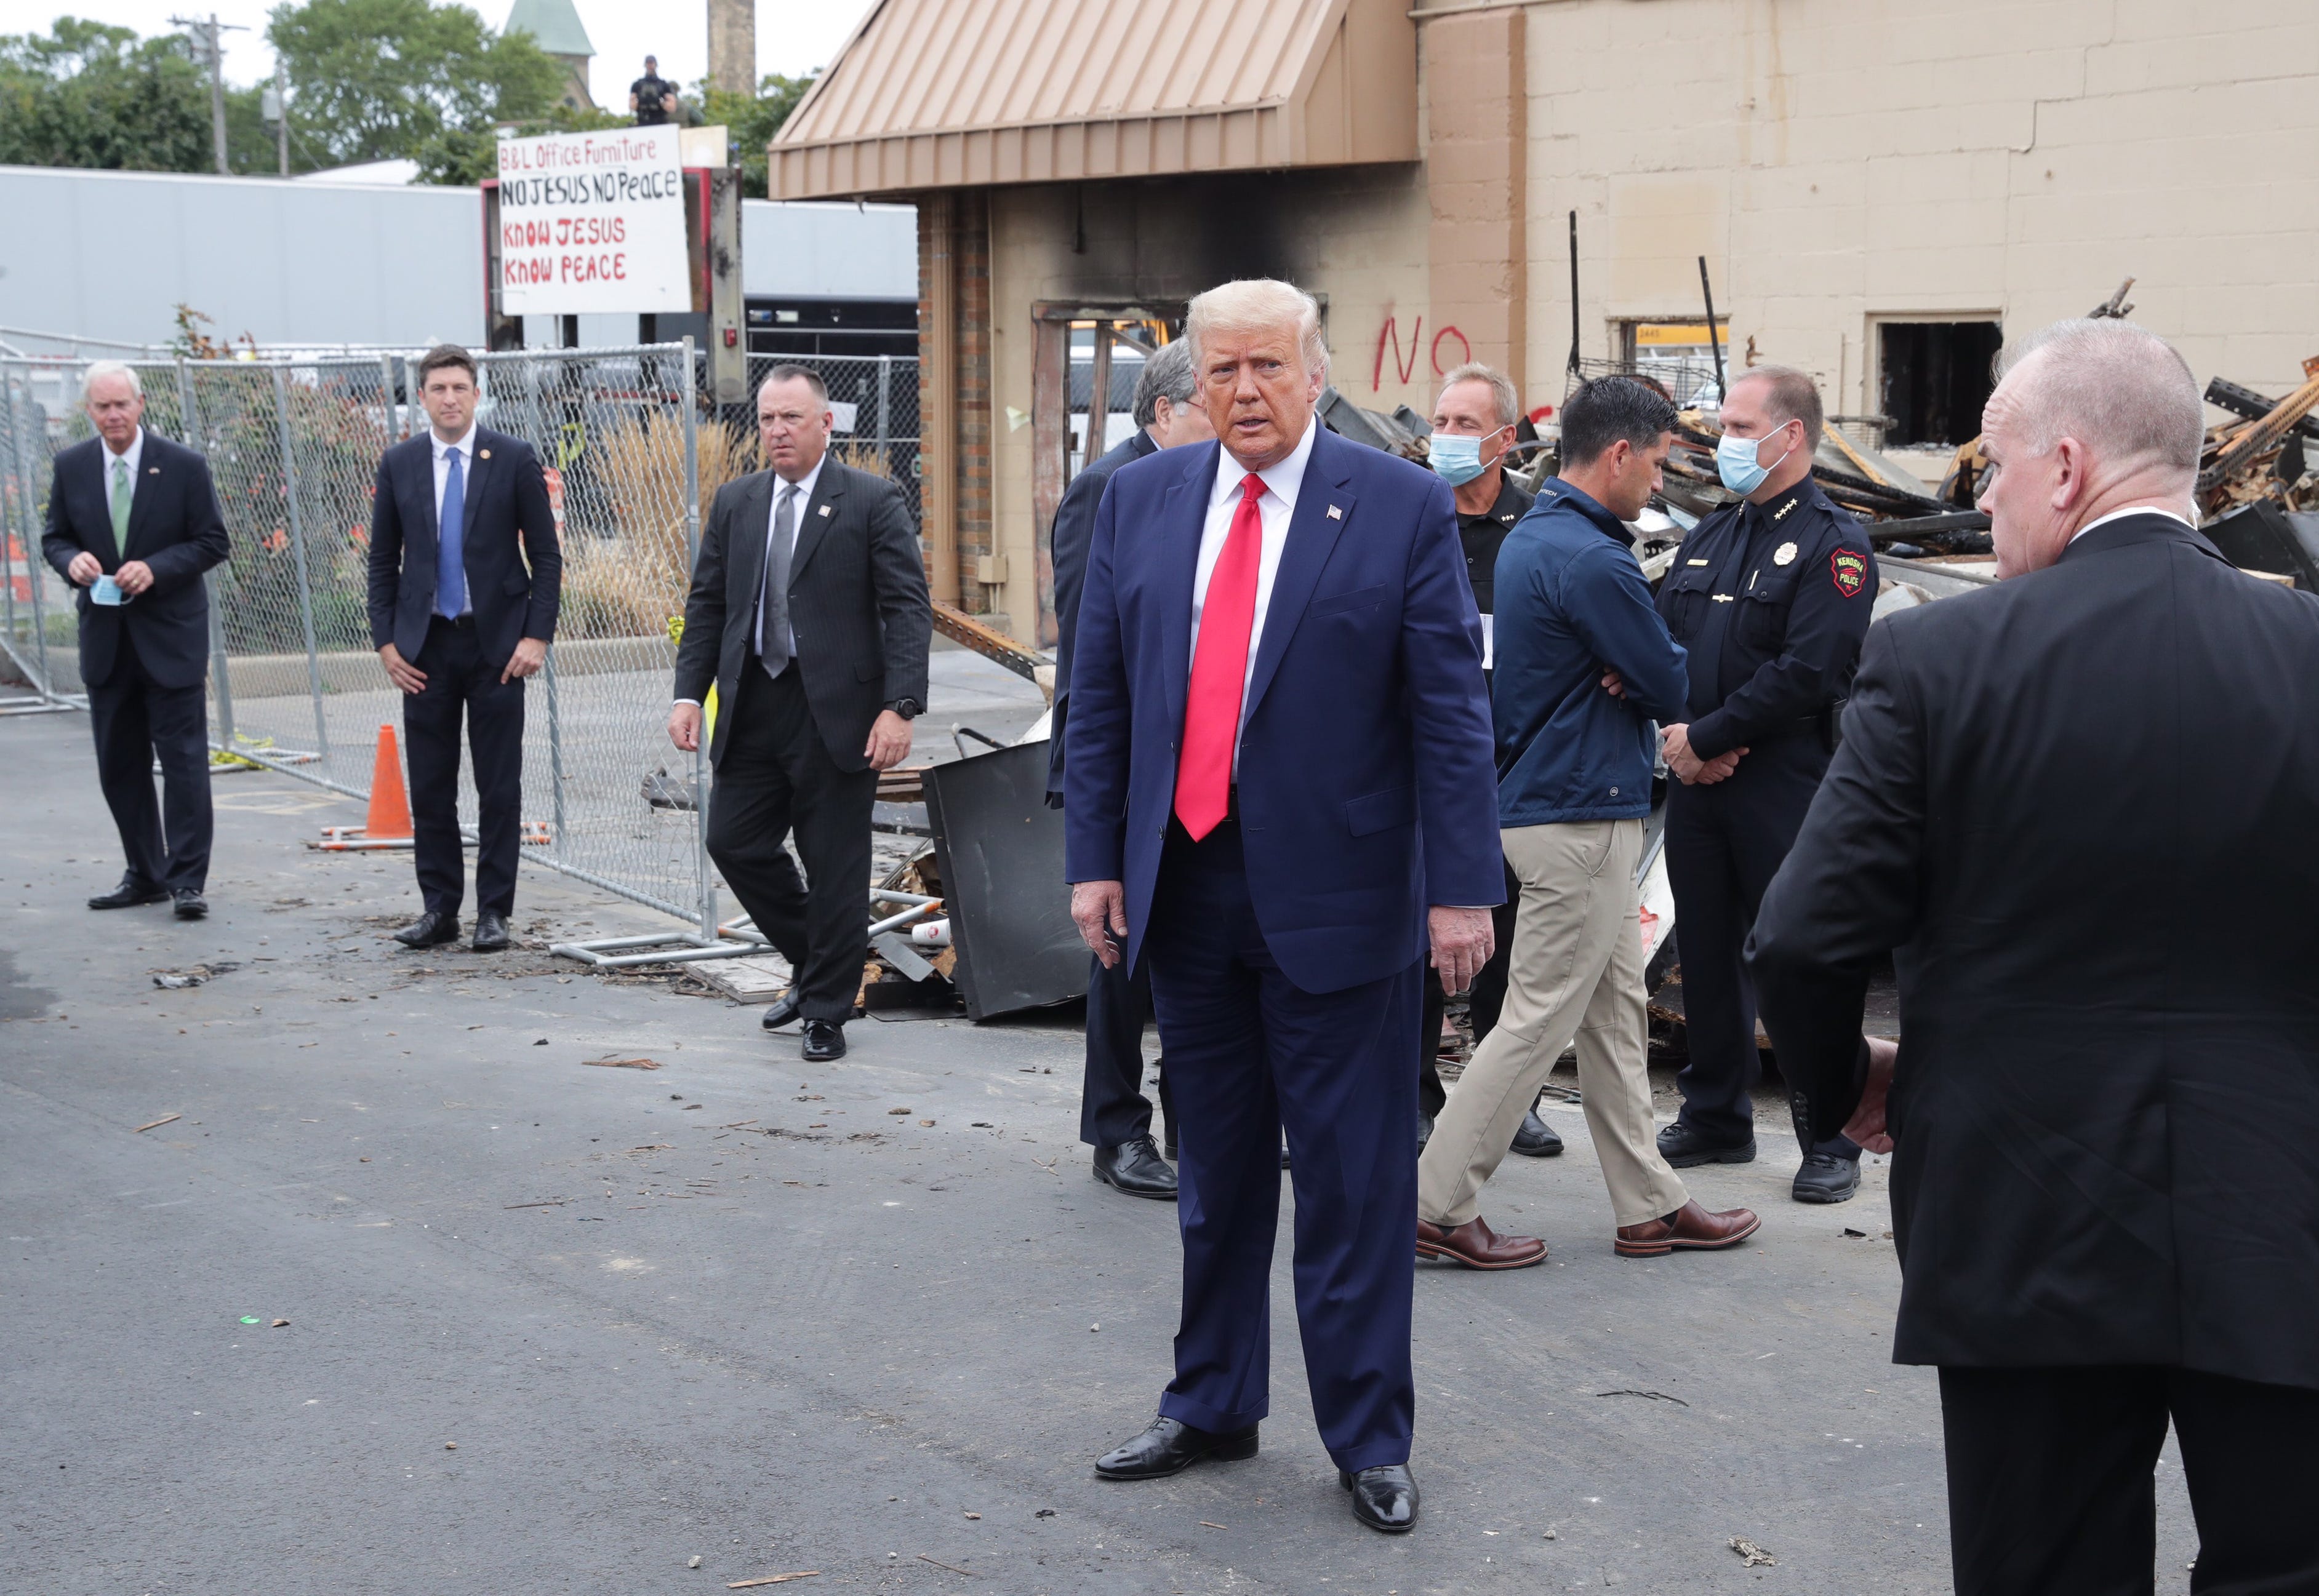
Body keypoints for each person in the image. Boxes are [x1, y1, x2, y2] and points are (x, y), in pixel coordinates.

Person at [1748, 317, 2319, 1595]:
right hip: (2284, 1206)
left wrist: (1848, 1086)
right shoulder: (2310, 654)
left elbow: (1801, 933)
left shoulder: (1939, 659)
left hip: (2023, 1210)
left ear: (2066, 466)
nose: (1988, 502)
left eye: (1995, 469)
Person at [1065, 278, 1501, 1534]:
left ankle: (1368, 1433)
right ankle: (1212, 1400)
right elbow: (1101, 697)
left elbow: (1450, 716)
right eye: (1221, 371)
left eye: (1267, 366)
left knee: (1357, 1184)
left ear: (1317, 374)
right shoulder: (1139, 501)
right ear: (1192, 382)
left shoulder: (1402, 506)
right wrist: (1096, 858)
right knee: (1215, 1175)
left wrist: (1462, 887)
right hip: (1185, 894)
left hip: (1347, 901)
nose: (1244, 391)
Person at [1417, 377, 1760, 1267]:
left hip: (1551, 803)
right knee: (1535, 1020)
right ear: (1617, 453)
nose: (1656, 479)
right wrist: (1641, 663)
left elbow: (1642, 668)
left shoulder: (1540, 537)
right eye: (1653, 460)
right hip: (1580, 814)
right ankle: (1435, 1200)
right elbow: (1672, 682)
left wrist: (1635, 663)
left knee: (1612, 1016)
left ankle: (1650, 1203)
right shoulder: (1597, 560)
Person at [1652, 365, 1875, 1203]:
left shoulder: (1834, 543)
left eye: (1742, 427)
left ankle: (1832, 1134)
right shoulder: (1713, 532)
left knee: (1798, 957)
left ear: (1792, 436)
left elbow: (1812, 670)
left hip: (1782, 780)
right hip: (1698, 780)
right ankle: (1716, 1112)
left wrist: (1709, 736)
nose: (1725, 441)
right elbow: (1664, 641)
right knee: (1707, 953)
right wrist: (1682, 739)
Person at [671, 365, 932, 1063]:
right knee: (734, 840)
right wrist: (688, 693)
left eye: (791, 418)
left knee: (836, 867)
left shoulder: (872, 499)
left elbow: (908, 607)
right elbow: (708, 606)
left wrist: (899, 707)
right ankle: (821, 968)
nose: (777, 431)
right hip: (755, 702)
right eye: (767, 420)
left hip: (839, 712)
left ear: (826, 424)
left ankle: (825, 1011)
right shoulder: (737, 502)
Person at [1047, 337, 1211, 1200]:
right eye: (1212, 405)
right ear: (1164, 412)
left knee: (1186, 952)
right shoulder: (1106, 488)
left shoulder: (1209, 489)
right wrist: (1091, 792)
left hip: (1196, 767)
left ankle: (1197, 1126)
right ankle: (1117, 1128)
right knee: (1120, 956)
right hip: (1122, 774)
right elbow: (1089, 658)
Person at [366, 344, 561, 954]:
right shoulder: (399, 463)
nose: (449, 398)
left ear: (476, 394)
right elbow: (380, 561)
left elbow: (547, 556)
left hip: (497, 647)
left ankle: (494, 912)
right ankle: (439, 909)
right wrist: (386, 641)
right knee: (431, 785)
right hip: (425, 649)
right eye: (437, 389)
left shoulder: (512, 458)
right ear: (421, 398)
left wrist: (536, 635)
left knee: (498, 786)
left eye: (459, 387)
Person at [1417, 362, 1561, 1160]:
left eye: (1465, 424)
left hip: (1512, 762)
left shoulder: (1535, 529)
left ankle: (1511, 1101)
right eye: (1441, 420)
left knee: (1508, 933)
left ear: (1506, 440)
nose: (1447, 438)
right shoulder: (1411, 521)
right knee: (1416, 932)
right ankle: (1415, 1095)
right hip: (1422, 762)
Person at [42, 361, 229, 920]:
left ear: (141, 403)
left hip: (170, 640)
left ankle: (188, 881)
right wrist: (68, 560)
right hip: (107, 642)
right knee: (119, 766)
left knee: (184, 763)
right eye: (102, 407)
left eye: (122, 404)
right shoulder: (72, 467)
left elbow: (212, 541)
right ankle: (146, 873)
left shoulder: (182, 467)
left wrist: (157, 567)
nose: (114, 415)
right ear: (89, 411)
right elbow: (55, 536)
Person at [630, 57, 678, 126]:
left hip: (660, 123)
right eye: (648, 63)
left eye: (652, 63)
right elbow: (632, 106)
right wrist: (641, 102)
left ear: (656, 64)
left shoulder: (663, 85)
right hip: (642, 123)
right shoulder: (637, 85)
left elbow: (672, 108)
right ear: (645, 65)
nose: (650, 65)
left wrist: (661, 103)